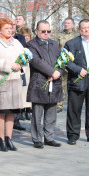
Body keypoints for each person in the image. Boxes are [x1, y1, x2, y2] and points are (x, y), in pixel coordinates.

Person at [0, 18, 25, 152]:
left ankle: (9, 138)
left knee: (11, 112)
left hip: (14, 80)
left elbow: (24, 57)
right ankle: (1, 139)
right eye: (6, 28)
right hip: (1, 80)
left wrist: (22, 64)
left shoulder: (16, 43)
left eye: (11, 28)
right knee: (1, 111)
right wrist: (10, 66)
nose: (10, 30)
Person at [27, 20, 64, 149]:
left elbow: (62, 60)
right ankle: (37, 138)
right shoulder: (31, 44)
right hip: (39, 82)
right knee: (37, 113)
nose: (46, 33)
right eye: (43, 31)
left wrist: (58, 72)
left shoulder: (54, 44)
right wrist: (51, 72)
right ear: (37, 31)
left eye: (48, 31)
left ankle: (49, 137)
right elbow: (36, 61)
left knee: (51, 112)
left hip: (54, 81)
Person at [57, 18, 79, 113]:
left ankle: (73, 105)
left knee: (74, 85)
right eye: (65, 23)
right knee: (61, 85)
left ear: (73, 25)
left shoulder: (77, 35)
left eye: (68, 23)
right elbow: (56, 48)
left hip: (74, 64)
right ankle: (59, 105)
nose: (66, 24)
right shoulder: (59, 35)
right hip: (62, 63)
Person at [12, 20, 29, 128]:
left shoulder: (20, 38)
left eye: (13, 25)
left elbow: (24, 52)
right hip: (7, 69)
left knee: (18, 96)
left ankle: (16, 120)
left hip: (20, 69)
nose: (12, 28)